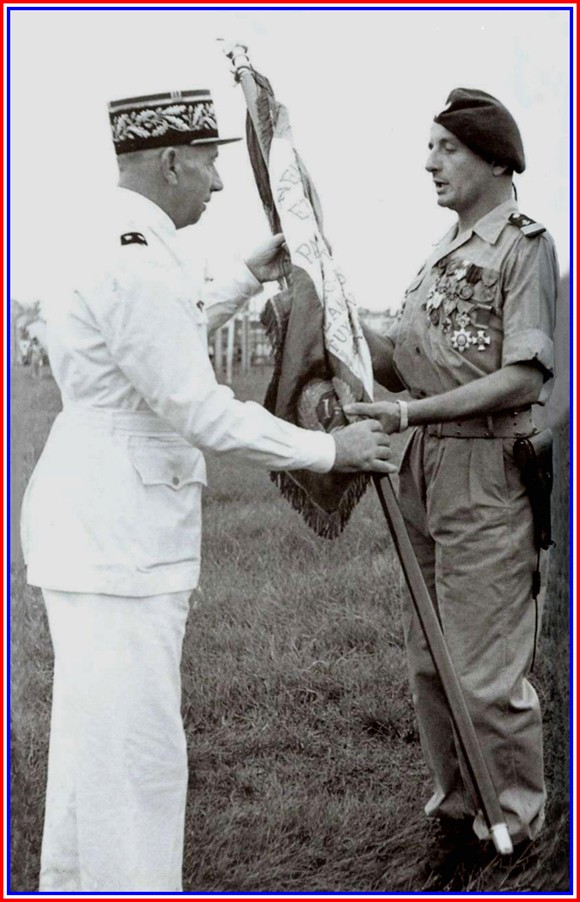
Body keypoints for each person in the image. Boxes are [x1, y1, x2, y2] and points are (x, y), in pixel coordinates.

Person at [20, 88, 395, 893]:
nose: (221, 183)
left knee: (94, 746)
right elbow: (197, 406)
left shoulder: (114, 240)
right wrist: (330, 447)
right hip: (121, 537)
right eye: (213, 162)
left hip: (94, 525)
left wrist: (241, 275)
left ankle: (76, 882)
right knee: (139, 759)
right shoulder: (135, 256)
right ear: (171, 161)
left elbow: (166, 330)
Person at [347, 88, 558, 859]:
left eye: (447, 149)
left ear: (496, 159)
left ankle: (515, 825)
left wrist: (409, 415)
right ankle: (459, 815)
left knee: (485, 668)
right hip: (423, 465)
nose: (430, 162)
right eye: (430, 147)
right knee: (430, 655)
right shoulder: (441, 252)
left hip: (486, 464)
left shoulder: (524, 247)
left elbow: (525, 377)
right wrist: (332, 318)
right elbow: (405, 362)